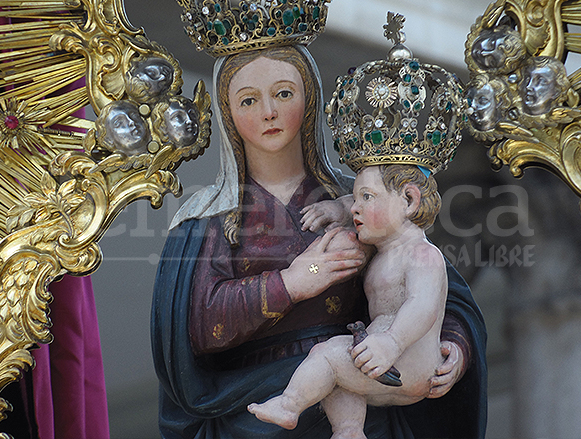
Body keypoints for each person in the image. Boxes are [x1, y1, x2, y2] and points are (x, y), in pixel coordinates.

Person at [151, 44, 487, 439]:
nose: (268, 112)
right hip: (254, 402)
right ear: (227, 114)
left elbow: (431, 289)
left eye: (283, 94)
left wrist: (452, 346)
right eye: (247, 100)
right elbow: (195, 328)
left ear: (310, 99)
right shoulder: (208, 217)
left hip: (365, 384)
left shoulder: (362, 201)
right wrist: (293, 282)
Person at [248, 164, 449, 438]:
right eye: (354, 199)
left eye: (366, 197)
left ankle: (289, 404)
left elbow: (423, 307)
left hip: (407, 361)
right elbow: (353, 205)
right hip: (386, 361)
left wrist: (392, 342)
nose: (355, 208)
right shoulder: (383, 252)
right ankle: (349, 431)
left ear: (409, 201)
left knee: (326, 357)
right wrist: (339, 209)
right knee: (341, 378)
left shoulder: (423, 255)